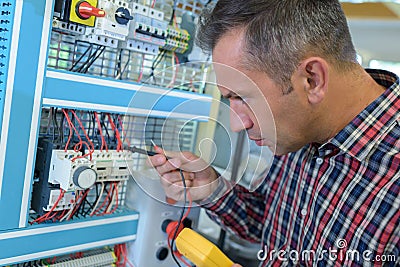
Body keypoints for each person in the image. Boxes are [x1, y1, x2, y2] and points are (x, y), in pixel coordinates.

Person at [149, 0, 400, 266]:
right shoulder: (298, 130)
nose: (237, 124)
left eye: (243, 98)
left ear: (312, 80)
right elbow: (274, 223)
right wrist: (212, 189)